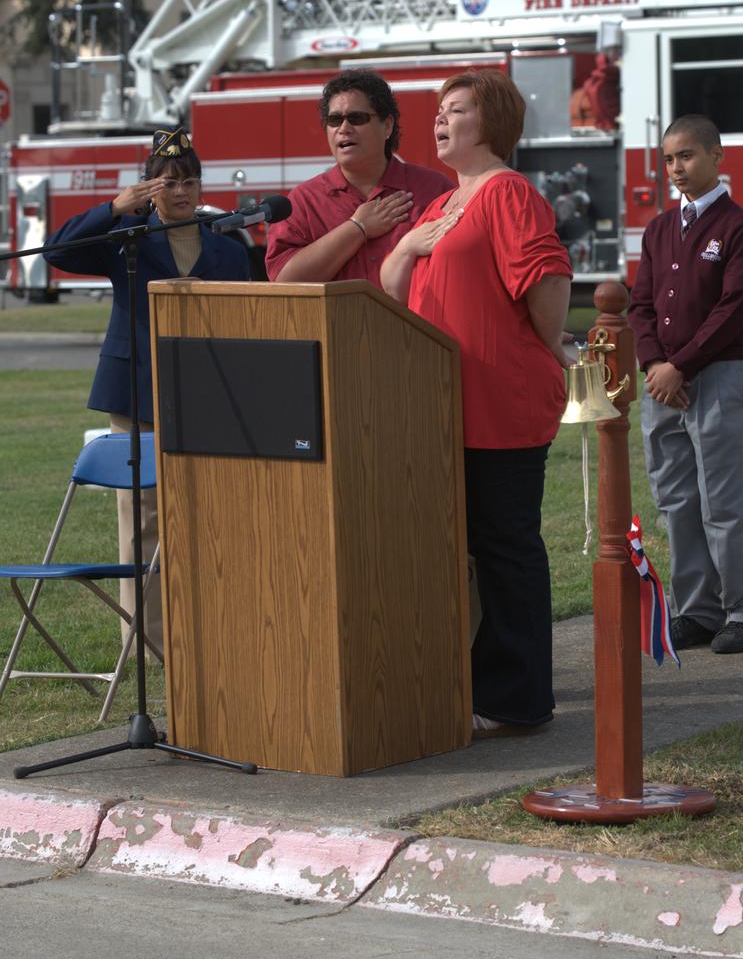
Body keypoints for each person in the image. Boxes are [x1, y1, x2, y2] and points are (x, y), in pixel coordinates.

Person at [380, 70, 572, 740]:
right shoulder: (437, 205)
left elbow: (546, 277)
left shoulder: (507, 193)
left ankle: (518, 698)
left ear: (487, 123)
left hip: (501, 399)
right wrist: (405, 245)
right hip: (442, 407)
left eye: (455, 110)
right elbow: (391, 287)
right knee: (462, 550)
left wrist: (549, 345)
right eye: (436, 111)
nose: (439, 120)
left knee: (504, 547)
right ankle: (469, 681)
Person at [45, 126, 251, 657]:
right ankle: (150, 646)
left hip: (210, 394)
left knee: (213, 515)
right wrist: (115, 207)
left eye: (189, 181)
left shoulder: (227, 250)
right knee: (143, 520)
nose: (181, 191)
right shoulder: (126, 238)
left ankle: (216, 631)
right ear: (149, 187)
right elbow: (57, 252)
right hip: (137, 393)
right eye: (168, 181)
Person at [628, 114, 743, 655]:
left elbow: (732, 311)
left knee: (724, 505)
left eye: (687, 156)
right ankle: (700, 610)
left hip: (716, 381)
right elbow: (640, 304)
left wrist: (680, 367)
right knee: (678, 503)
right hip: (663, 385)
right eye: (668, 159)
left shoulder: (740, 230)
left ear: (717, 157)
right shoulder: (660, 229)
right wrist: (652, 366)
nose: (676, 169)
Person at [264, 69, 453, 285]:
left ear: (387, 126)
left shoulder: (435, 190)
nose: (344, 128)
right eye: (334, 120)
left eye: (357, 118)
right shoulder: (303, 201)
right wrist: (358, 228)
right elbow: (284, 282)